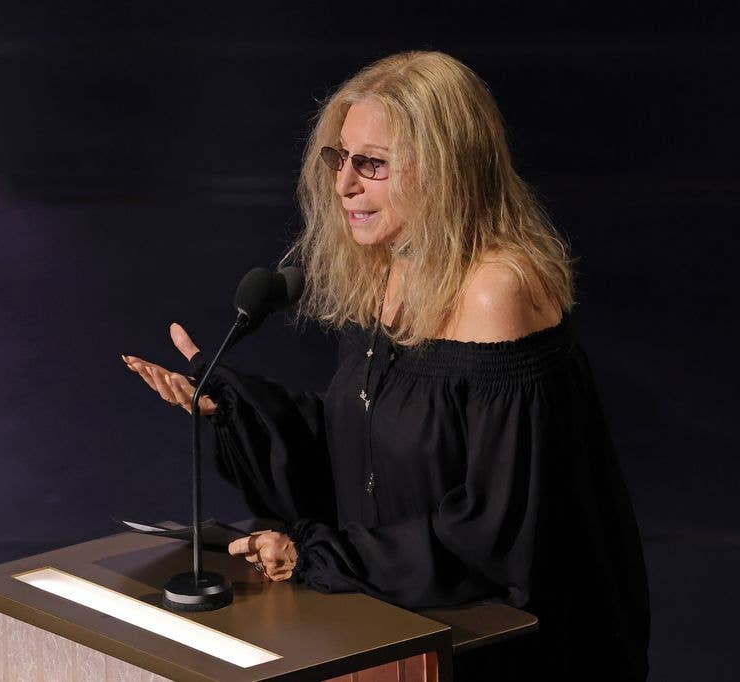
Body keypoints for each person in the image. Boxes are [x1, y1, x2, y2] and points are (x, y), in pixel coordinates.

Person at [122, 51, 649, 681]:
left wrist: (320, 554)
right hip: (405, 620)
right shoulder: (388, 269)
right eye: (340, 158)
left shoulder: (496, 291)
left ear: (446, 171)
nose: (343, 185)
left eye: (372, 164)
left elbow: (495, 528)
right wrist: (235, 405)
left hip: (510, 644)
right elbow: (370, 451)